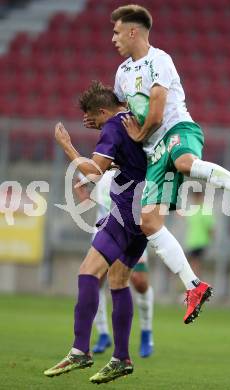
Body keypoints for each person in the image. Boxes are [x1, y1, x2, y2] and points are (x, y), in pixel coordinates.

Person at [108, 4, 230, 324]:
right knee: (149, 222)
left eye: (117, 31)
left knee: (184, 161)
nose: (113, 38)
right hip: (154, 151)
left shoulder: (160, 61)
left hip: (177, 131)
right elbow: (119, 114)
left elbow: (155, 114)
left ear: (133, 31)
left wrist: (136, 136)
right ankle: (194, 286)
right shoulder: (122, 73)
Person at [44, 81, 148, 384]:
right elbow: (125, 155)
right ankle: (121, 358)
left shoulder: (114, 128)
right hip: (145, 211)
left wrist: (67, 145)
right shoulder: (133, 120)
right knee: (118, 280)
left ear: (103, 111)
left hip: (125, 211)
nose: (95, 125)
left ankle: (80, 350)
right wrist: (103, 128)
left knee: (88, 272)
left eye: (95, 118)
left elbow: (92, 172)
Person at [75, 170, 154, 357]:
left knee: (139, 281)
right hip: (105, 231)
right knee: (97, 279)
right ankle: (103, 333)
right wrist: (86, 199)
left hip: (132, 232)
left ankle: (146, 332)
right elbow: (79, 180)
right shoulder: (101, 163)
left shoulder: (134, 162)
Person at [185, 191, 215, 279]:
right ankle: (194, 286)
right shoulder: (192, 210)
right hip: (191, 242)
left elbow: (211, 228)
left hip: (201, 242)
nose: (196, 198)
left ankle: (195, 286)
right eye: (195, 196)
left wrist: (211, 241)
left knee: (195, 264)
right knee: (192, 265)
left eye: (198, 196)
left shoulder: (205, 210)